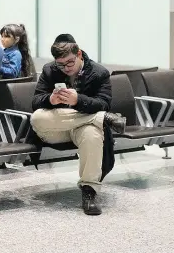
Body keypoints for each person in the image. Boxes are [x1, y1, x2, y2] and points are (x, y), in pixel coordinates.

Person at [30, 34, 126, 216]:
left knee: (92, 135)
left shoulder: (99, 73)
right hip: (56, 128)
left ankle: (89, 192)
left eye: (69, 63)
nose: (65, 68)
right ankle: (102, 119)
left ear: (79, 54)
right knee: (37, 118)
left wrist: (78, 100)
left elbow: (104, 104)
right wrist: (50, 99)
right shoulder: (49, 70)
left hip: (81, 128)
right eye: (60, 64)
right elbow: (35, 102)